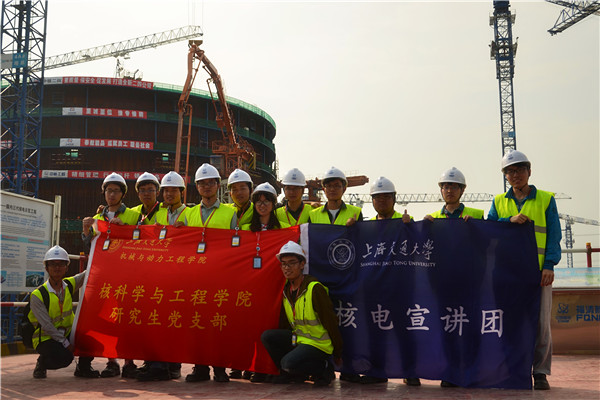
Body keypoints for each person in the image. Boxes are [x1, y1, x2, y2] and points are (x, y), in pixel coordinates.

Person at [487, 150, 561, 391]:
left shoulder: (546, 199)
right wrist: (508, 220)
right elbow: (488, 229)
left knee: (540, 324)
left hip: (538, 273)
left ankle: (540, 372)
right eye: (510, 171)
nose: (515, 175)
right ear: (505, 176)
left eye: (519, 169)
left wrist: (549, 265)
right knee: (510, 322)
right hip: (508, 273)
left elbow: (554, 235)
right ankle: (512, 369)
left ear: (529, 171)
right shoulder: (499, 202)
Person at [81, 172, 139, 378]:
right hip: (104, 278)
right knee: (107, 320)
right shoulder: (97, 219)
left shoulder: (133, 216)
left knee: (126, 319)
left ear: (123, 194)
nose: (111, 194)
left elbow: (141, 241)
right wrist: (86, 231)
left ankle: (129, 362)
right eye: (108, 190)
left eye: (116, 191)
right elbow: (89, 247)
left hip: (126, 276)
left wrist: (127, 229)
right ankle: (111, 362)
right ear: (104, 193)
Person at [261, 241, 342, 386]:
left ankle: (324, 368)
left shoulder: (314, 288)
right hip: (299, 339)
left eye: (292, 263)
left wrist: (337, 352)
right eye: (284, 264)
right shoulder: (287, 290)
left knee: (288, 362)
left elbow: (330, 321)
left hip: (318, 344)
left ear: (302, 264)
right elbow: (286, 322)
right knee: (268, 336)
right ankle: (291, 374)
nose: (287, 268)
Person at [184, 163, 236, 384]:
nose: (206, 186)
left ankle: (220, 367)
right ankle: (200, 368)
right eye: (202, 183)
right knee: (197, 323)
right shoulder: (188, 214)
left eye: (210, 183)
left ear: (217, 185)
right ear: (197, 187)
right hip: (196, 278)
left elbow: (237, 245)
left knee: (218, 324)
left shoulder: (230, 213)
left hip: (220, 277)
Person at [136, 171, 189, 382]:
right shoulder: (158, 215)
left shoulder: (190, 214)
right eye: (166, 190)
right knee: (158, 321)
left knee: (173, 322)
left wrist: (186, 230)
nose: (169, 194)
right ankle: (158, 364)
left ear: (181, 192)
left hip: (180, 277)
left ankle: (171, 366)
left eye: (174, 190)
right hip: (159, 276)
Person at [29, 246, 99, 379]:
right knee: (65, 358)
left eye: (61, 264)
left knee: (90, 339)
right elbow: (47, 326)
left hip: (66, 333)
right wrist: (66, 343)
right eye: (53, 264)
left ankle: (83, 368)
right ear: (46, 267)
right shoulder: (38, 295)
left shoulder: (69, 285)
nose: (57, 268)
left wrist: (100, 256)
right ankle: (42, 362)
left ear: (67, 267)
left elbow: (88, 273)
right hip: (46, 338)